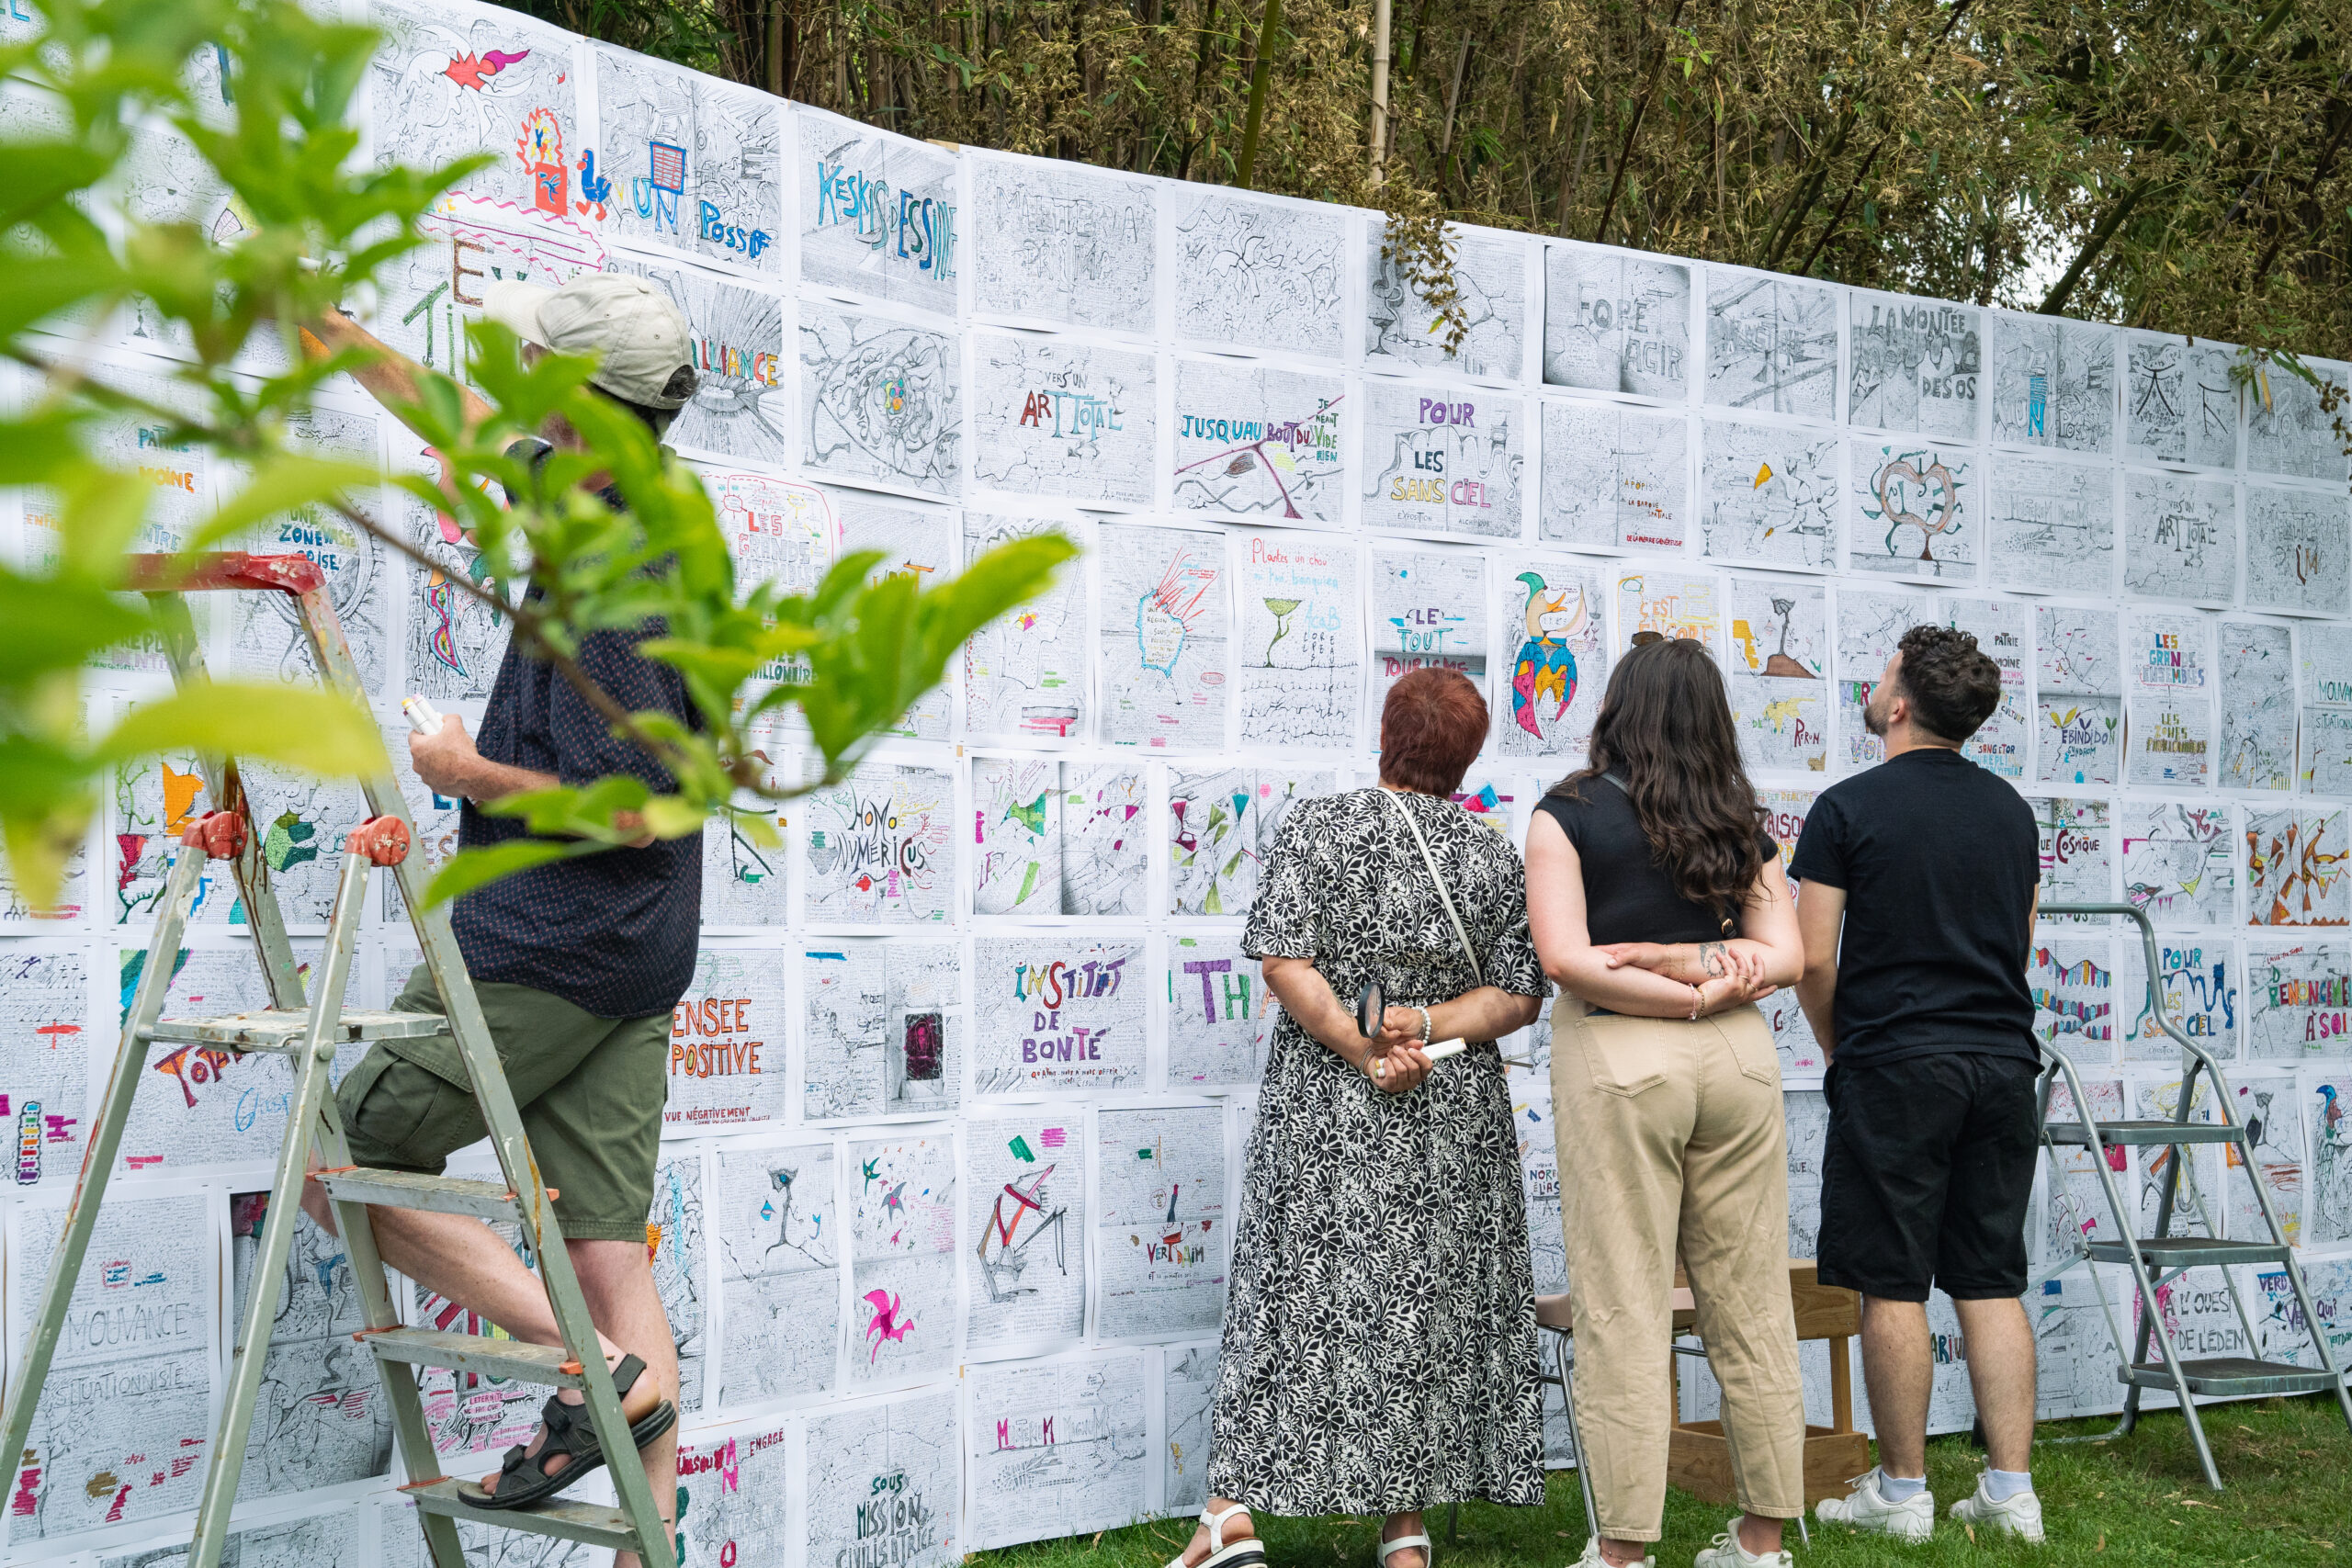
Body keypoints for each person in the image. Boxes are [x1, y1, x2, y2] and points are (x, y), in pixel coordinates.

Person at [294, 274, 704, 1568]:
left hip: (557, 942)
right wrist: (331, 330)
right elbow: (463, 420)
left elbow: (638, 806)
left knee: (331, 1156)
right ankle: (649, 1536)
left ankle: (588, 1371)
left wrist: (472, 777)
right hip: (634, 949)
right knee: (603, 1248)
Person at [1178, 668, 1549, 1568]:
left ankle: (1229, 1520)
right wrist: (1424, 1031)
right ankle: (1404, 1533)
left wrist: (1362, 1049)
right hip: (1452, 1109)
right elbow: (1516, 997)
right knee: (1422, 1309)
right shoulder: (1491, 852)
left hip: (1328, 1114)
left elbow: (1285, 964)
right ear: (1466, 756)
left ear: (1387, 733)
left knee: (1291, 1298)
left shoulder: (1318, 826)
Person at [1523, 636, 1808, 1568]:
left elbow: (1566, 960)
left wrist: (1663, 974)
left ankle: (1622, 1554)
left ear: (1615, 709)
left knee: (1622, 1302)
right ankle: (1762, 1543)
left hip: (1619, 1050)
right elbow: (1782, 957)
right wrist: (1710, 984)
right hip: (1736, 1058)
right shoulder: (1742, 822)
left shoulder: (1563, 815)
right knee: (1752, 1298)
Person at [1791, 625, 2044, 1543]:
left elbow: (1811, 957)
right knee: (1988, 1278)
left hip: (1895, 1063)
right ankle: (2010, 1494)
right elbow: (2015, 943)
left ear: (1899, 702)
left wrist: (1838, 1046)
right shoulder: (2013, 811)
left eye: (1882, 670)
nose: (1872, 679)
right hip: (2003, 1063)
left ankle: (1902, 1496)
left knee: (1890, 1284)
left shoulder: (1846, 806)